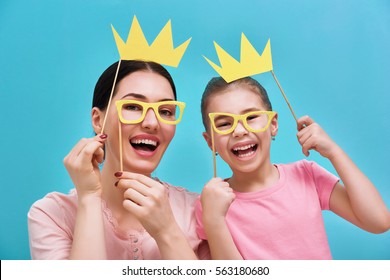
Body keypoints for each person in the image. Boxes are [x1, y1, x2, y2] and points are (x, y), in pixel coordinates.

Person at [28, 60, 208, 260]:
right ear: (98, 121)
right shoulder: (52, 215)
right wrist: (89, 198)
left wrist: (167, 231)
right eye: (132, 106)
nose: (152, 123)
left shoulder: (199, 210)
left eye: (165, 111)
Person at [195, 76, 390, 260]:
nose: (239, 131)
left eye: (251, 117)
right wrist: (214, 220)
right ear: (210, 141)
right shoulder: (211, 203)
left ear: (273, 124)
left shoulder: (306, 175)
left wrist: (334, 152)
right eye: (223, 123)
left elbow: (379, 222)